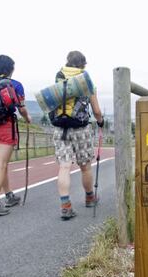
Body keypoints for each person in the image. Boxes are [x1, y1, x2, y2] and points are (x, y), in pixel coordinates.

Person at [52, 51, 104, 220]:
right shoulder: (86, 80)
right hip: (81, 128)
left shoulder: (59, 77)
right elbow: (96, 110)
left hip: (60, 128)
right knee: (85, 166)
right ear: (83, 65)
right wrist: (100, 120)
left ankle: (65, 206)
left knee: (64, 166)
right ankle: (90, 197)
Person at [0, 55, 32, 218]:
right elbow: (22, 109)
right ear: (11, 69)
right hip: (5, 127)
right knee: (1, 165)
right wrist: (27, 119)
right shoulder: (15, 85)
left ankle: (9, 195)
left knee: (0, 164)